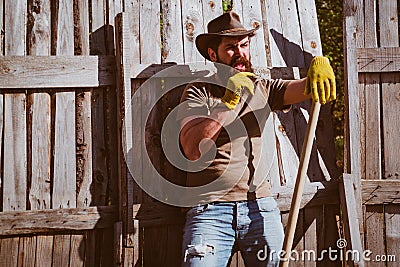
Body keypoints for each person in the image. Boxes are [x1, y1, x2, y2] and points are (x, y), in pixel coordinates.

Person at [177, 11, 335, 267]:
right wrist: (229, 102)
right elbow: (193, 148)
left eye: (244, 45)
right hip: (210, 211)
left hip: (259, 206)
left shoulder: (263, 88)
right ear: (212, 54)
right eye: (231, 48)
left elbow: (304, 88)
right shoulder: (198, 91)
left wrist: (321, 65)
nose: (240, 53)